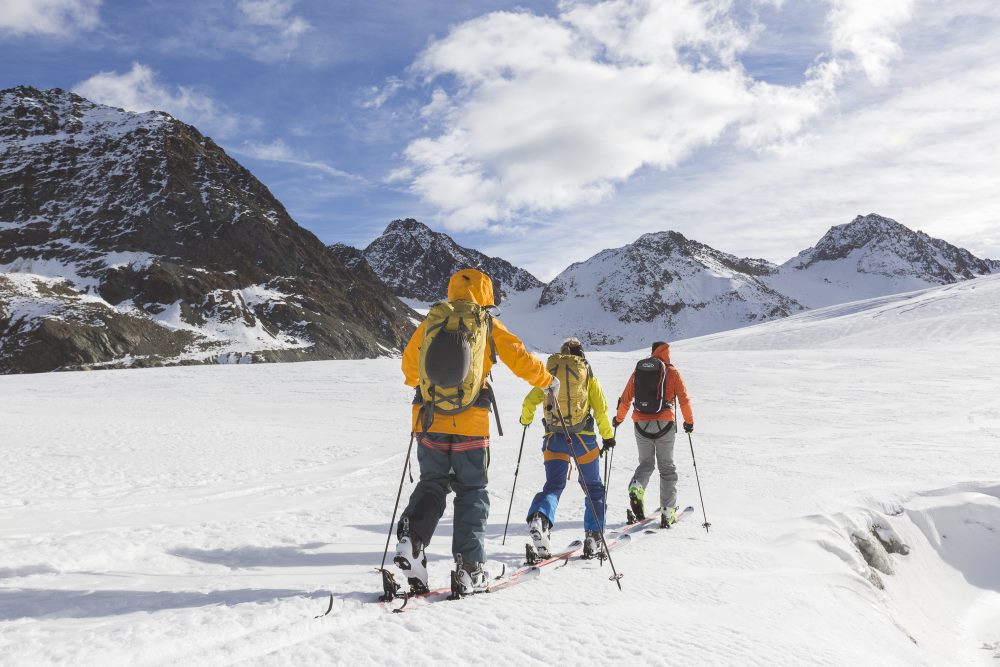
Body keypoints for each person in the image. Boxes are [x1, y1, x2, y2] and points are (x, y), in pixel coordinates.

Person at [394, 268, 555, 597]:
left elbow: (410, 371)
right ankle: (470, 568)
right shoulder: (487, 324)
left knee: (432, 484)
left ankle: (412, 540)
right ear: (486, 295)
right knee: (471, 491)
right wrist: (547, 380)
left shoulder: (432, 321)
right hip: (471, 426)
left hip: (428, 421)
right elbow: (521, 359)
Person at [519, 337, 615, 560]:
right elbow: (601, 410)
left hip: (554, 438)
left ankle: (540, 518)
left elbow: (529, 401)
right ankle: (594, 535)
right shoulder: (588, 376)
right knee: (593, 487)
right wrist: (608, 437)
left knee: (553, 485)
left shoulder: (549, 375)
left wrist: (525, 420)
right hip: (583, 440)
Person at [613, 341, 694, 528]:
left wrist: (618, 419)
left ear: (652, 352)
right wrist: (689, 422)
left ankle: (637, 486)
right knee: (666, 468)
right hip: (665, 424)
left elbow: (626, 398)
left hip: (640, 424)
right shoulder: (672, 372)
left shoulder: (639, 371)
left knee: (646, 463)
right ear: (667, 353)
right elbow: (683, 399)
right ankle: (668, 511)